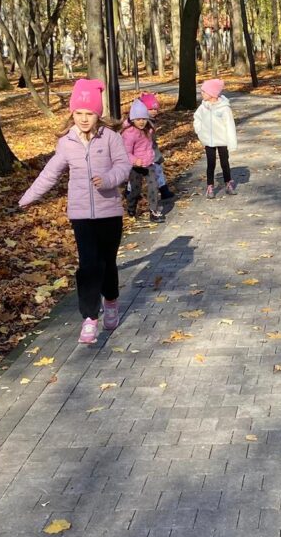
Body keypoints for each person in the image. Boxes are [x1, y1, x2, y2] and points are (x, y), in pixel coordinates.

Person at [18, 79, 131, 344]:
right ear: (72, 113)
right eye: (78, 113)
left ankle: (111, 302)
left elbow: (124, 166)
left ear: (97, 114)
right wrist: (27, 198)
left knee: (107, 263)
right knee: (88, 265)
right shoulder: (66, 143)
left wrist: (108, 179)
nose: (83, 118)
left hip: (109, 213)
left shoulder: (111, 138)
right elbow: (51, 172)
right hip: (81, 215)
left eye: (89, 113)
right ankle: (90, 318)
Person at [121, 98, 165, 223]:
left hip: (149, 163)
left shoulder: (149, 129)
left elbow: (150, 145)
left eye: (144, 119)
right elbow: (126, 152)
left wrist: (152, 157)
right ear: (132, 119)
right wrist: (135, 161)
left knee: (153, 186)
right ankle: (131, 208)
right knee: (135, 190)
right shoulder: (129, 133)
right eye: (138, 119)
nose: (141, 122)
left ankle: (154, 211)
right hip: (135, 166)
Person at [193, 78, 237, 198]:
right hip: (208, 140)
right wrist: (199, 131)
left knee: (224, 163)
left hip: (222, 140)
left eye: (204, 92)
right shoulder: (203, 107)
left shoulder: (224, 108)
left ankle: (228, 183)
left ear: (212, 93)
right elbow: (197, 118)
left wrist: (232, 143)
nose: (201, 94)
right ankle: (210, 186)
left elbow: (230, 126)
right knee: (210, 164)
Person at [139, 92, 174, 201]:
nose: (154, 112)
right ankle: (130, 192)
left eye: (155, 109)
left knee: (158, 170)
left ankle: (164, 190)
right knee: (137, 174)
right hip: (142, 152)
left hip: (153, 151)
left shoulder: (152, 121)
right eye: (150, 109)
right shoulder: (142, 122)